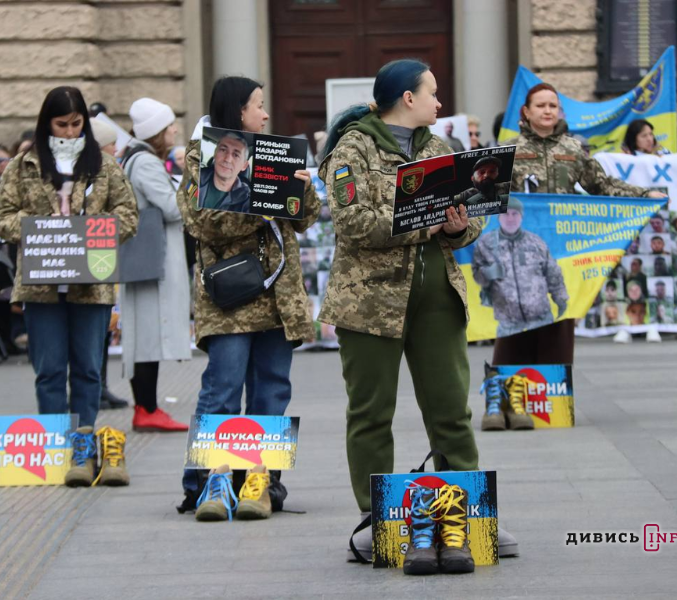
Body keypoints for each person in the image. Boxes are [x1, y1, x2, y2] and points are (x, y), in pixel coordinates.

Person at [320, 58, 517, 572]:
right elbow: (352, 222)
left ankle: (469, 516)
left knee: (451, 409)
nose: (440, 102)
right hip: (369, 303)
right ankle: (375, 520)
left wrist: (453, 227)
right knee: (371, 413)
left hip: (436, 299)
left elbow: (468, 219)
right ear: (407, 97)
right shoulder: (352, 148)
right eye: (432, 92)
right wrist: (422, 226)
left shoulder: (439, 148)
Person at [176, 76, 320, 520]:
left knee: (273, 389)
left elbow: (307, 218)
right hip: (231, 298)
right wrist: (262, 202)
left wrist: (296, 187)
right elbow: (203, 222)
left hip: (279, 296)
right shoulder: (203, 152)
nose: (266, 113)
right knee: (223, 387)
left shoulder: (276, 152)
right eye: (258, 105)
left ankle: (261, 480)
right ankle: (211, 482)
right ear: (238, 111)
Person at [0, 86, 139, 485]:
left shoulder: (104, 166)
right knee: (50, 369)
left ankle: (84, 449)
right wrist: (34, 228)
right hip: (41, 283)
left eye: (77, 124)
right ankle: (56, 446)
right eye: (62, 124)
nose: (71, 132)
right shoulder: (22, 165)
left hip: (92, 282)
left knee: (89, 369)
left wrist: (100, 231)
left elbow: (128, 212)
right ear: (47, 124)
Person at [502, 82, 667, 362]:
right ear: (526, 112)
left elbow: (602, 185)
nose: (547, 110)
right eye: (540, 105)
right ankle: (509, 399)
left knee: (559, 325)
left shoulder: (573, 148)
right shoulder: (508, 150)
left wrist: (643, 193)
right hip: (520, 254)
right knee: (516, 330)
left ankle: (556, 396)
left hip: (562, 253)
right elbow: (487, 196)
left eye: (552, 106)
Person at [120, 97, 190, 432]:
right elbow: (173, 208)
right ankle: (146, 408)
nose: (175, 130)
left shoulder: (136, 158)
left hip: (147, 259)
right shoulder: (146, 163)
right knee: (149, 335)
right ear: (157, 133)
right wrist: (190, 186)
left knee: (148, 333)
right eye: (170, 126)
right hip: (154, 261)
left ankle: (147, 406)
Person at [473, 197, 568, 337]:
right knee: (510, 359)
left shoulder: (535, 242)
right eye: (506, 214)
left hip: (540, 320)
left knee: (545, 358)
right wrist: (487, 273)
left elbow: (553, 273)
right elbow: (476, 276)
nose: (510, 218)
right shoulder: (485, 244)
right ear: (499, 217)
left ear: (521, 217)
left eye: (515, 214)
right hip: (508, 325)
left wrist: (560, 299)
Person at [89, 116, 130, 411]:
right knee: (92, 331)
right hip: (91, 259)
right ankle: (92, 387)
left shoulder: (111, 173)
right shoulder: (91, 176)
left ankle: (101, 386)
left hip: (105, 256)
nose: (116, 149)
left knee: (104, 327)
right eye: (111, 144)